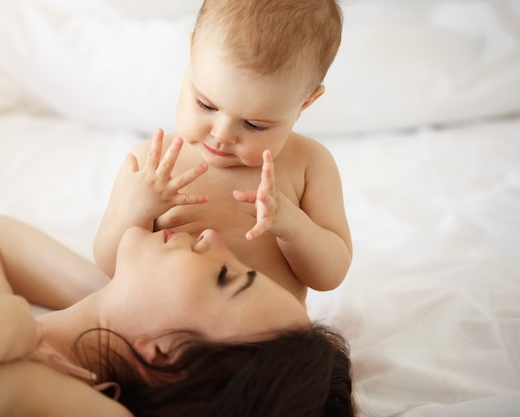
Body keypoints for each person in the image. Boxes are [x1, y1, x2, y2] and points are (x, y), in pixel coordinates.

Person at [0, 207, 355, 416]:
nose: (213, 239)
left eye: (224, 275)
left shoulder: (94, 409)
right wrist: (118, 298)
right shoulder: (12, 324)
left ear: (164, 356)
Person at [94, 0, 352, 304]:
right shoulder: (152, 163)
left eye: (254, 125)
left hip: (265, 338)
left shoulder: (309, 163)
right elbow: (108, 264)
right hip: (166, 328)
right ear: (191, 54)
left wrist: (292, 226)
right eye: (206, 105)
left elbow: (330, 275)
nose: (221, 135)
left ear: (305, 103)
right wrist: (135, 210)